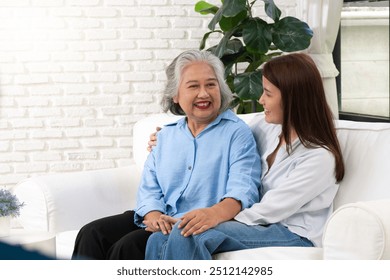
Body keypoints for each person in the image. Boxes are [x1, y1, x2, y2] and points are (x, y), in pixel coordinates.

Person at [145, 52, 345, 260]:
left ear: (292, 98)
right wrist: (171, 137)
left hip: (291, 232)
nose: (260, 100)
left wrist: (214, 215)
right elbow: (223, 133)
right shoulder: (265, 127)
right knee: (158, 238)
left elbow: (271, 210)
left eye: (267, 93)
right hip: (260, 225)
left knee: (188, 233)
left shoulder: (319, 158)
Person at [71, 50, 261, 260]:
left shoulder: (236, 133)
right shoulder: (166, 135)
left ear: (221, 89)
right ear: (176, 95)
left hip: (194, 223)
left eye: (210, 84)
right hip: (160, 216)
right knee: (92, 233)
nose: (204, 94)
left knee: (128, 247)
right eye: (193, 86)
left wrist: (213, 214)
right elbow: (149, 187)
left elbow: (243, 190)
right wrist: (152, 215)